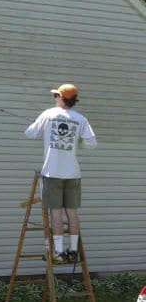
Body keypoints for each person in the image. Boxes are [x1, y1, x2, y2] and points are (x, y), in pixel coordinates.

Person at [24, 83, 97, 263]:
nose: (54, 98)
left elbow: (30, 133)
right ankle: (72, 251)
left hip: (52, 173)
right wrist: (76, 141)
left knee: (56, 213)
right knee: (72, 213)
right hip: (73, 174)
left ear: (61, 98)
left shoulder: (48, 114)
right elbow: (92, 143)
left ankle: (57, 252)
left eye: (56, 95)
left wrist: (41, 128)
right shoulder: (81, 119)